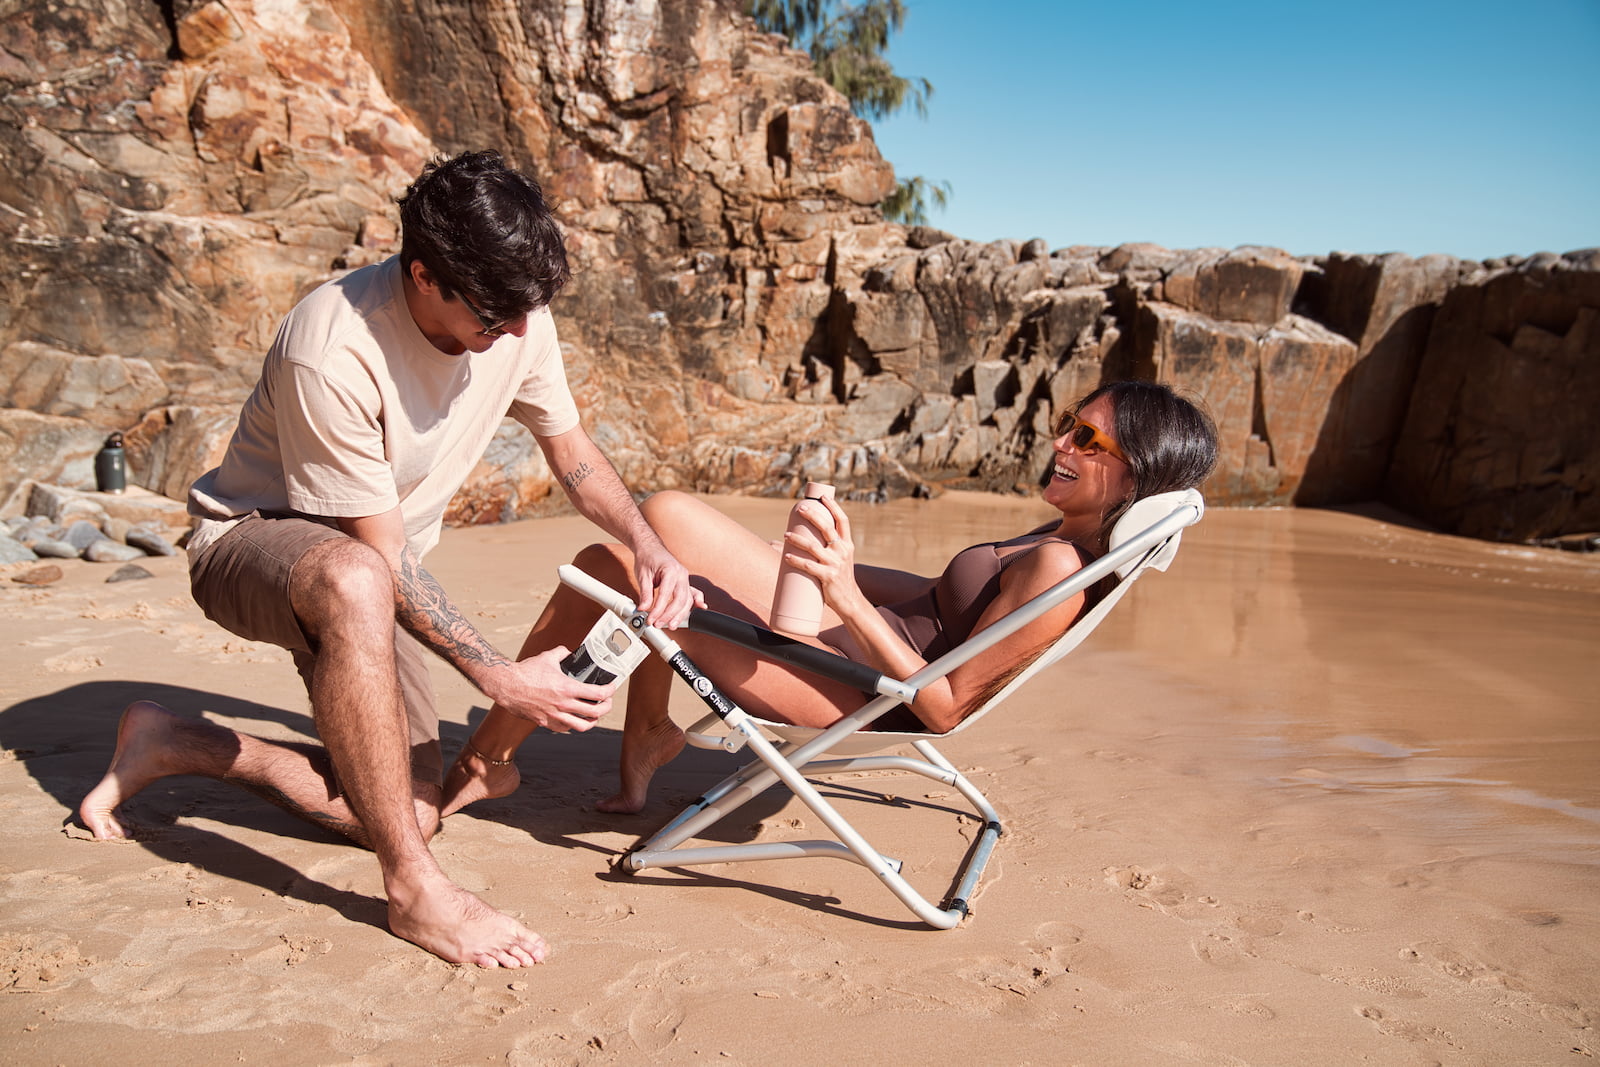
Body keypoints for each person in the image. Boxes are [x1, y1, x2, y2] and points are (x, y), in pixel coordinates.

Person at [78, 150, 696, 968]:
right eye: (495, 315)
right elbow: (374, 554)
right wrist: (503, 679)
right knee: (356, 578)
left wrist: (647, 541)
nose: (514, 333)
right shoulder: (331, 347)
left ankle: (172, 741)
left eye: (525, 313)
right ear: (423, 275)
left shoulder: (516, 313)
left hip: (374, 568)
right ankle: (412, 890)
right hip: (249, 543)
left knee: (412, 805)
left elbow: (572, 450)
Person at [441, 379, 1218, 817]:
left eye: (1088, 440)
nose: (1060, 443)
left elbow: (942, 706)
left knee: (610, 565)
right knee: (670, 515)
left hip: (861, 691)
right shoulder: (1051, 536)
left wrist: (840, 592)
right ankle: (647, 730)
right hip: (847, 642)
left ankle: (488, 759)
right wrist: (814, 559)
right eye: (1067, 426)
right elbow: (933, 599)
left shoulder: (1059, 574)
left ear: (1135, 473)